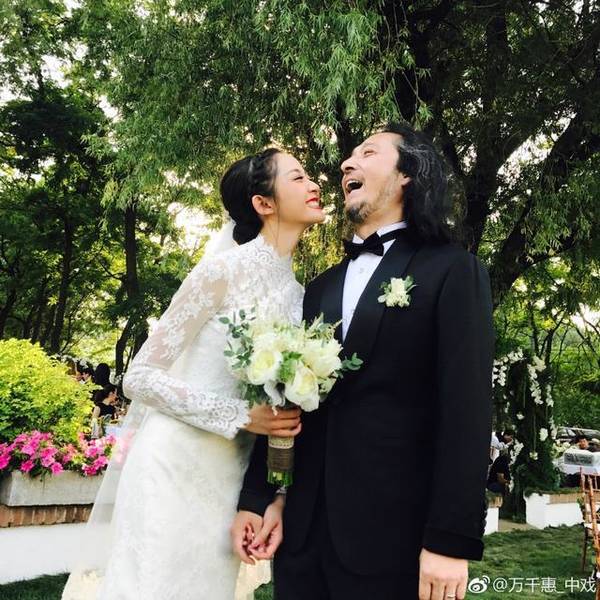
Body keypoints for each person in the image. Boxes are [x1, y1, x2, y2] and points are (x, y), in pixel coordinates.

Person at [233, 123, 494, 600]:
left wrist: (449, 540)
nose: (346, 163)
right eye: (349, 156)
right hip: (302, 540)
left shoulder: (454, 270)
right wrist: (263, 496)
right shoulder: (319, 288)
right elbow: (289, 402)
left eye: (368, 153)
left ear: (408, 173)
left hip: (394, 540)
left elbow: (467, 413)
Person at [61, 148, 325, 600]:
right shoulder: (221, 272)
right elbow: (139, 377)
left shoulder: (302, 296)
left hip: (231, 482)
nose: (314, 185)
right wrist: (240, 415)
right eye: (298, 177)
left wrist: (272, 493)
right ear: (263, 203)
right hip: (172, 466)